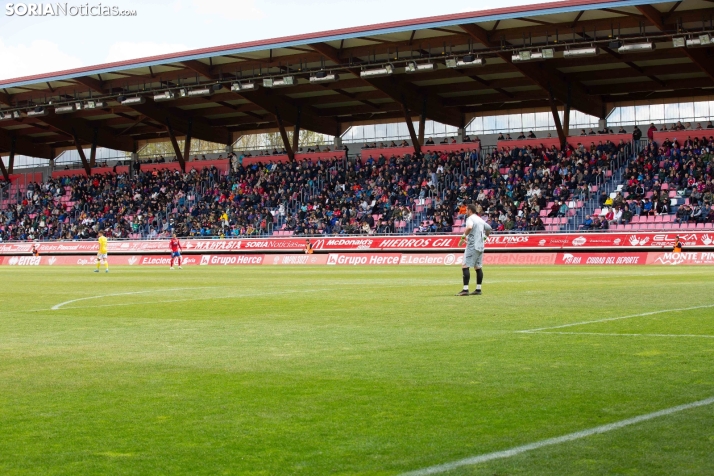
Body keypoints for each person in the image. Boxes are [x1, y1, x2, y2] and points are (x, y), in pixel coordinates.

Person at [456, 204, 492, 296]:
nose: (466, 212)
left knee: (465, 265)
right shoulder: (480, 219)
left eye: (466, 210)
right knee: (478, 267)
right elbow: (489, 229)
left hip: (472, 246)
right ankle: (478, 289)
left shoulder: (470, 219)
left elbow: (469, 227)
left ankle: (465, 290)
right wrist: (484, 238)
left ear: (470, 210)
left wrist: (462, 237)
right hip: (480, 246)